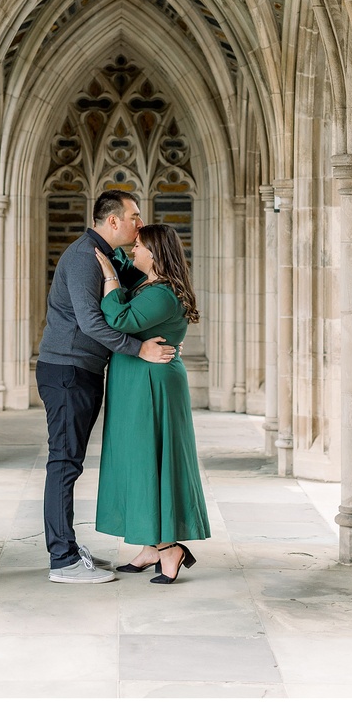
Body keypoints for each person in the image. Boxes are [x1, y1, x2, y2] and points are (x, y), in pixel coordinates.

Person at [36, 190, 176, 584]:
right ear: (112, 221)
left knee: (70, 461)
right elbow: (92, 323)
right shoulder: (85, 257)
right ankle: (62, 559)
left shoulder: (108, 256)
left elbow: (140, 288)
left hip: (81, 370)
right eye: (134, 216)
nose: (140, 224)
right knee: (64, 462)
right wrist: (138, 350)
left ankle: (66, 547)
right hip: (67, 371)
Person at [94, 223, 211, 584]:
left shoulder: (162, 293)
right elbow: (120, 258)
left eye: (140, 246)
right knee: (136, 460)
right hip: (135, 381)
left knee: (151, 458)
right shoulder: (148, 283)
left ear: (156, 254)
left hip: (153, 385)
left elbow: (120, 318)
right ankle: (149, 546)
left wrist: (110, 278)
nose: (135, 251)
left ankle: (169, 549)